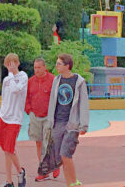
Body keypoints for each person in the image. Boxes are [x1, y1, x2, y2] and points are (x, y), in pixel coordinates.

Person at [46, 54, 89, 187]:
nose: (56, 66)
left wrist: (83, 125)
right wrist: (50, 122)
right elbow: (52, 103)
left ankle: (74, 182)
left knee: (66, 154)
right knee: (60, 157)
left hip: (72, 124)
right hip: (58, 123)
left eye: (59, 64)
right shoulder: (57, 80)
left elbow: (83, 104)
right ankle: (69, 183)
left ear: (67, 66)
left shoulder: (79, 82)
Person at [0, 53, 28, 187]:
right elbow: (4, 97)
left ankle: (17, 174)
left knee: (9, 148)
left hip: (15, 119)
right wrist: (1, 112)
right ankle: (10, 179)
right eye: (8, 63)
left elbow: (15, 90)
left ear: (17, 63)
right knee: (4, 147)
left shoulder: (23, 77)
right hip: (4, 116)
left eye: (13, 62)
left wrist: (12, 74)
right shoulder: (6, 79)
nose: (10, 65)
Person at [24, 57, 59, 182]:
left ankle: (55, 165)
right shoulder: (31, 81)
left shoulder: (53, 80)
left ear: (44, 67)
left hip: (48, 117)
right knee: (38, 142)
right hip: (35, 117)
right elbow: (26, 98)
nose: (37, 70)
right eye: (35, 67)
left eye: (39, 67)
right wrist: (29, 111)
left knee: (49, 143)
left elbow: (57, 98)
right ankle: (44, 171)